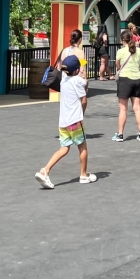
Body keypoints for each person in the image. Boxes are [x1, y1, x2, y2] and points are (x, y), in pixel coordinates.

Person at [35, 55, 96, 188]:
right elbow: (84, 100)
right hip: (75, 120)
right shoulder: (78, 81)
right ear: (76, 70)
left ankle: (45, 170)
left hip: (63, 122)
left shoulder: (63, 80)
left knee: (64, 148)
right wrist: (82, 114)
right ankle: (83, 175)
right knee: (83, 147)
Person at [113, 29, 140, 142]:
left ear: (122, 40)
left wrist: (120, 68)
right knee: (137, 108)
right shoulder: (138, 50)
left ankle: (120, 134)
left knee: (123, 109)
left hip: (124, 80)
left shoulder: (120, 51)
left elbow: (117, 65)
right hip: (137, 79)